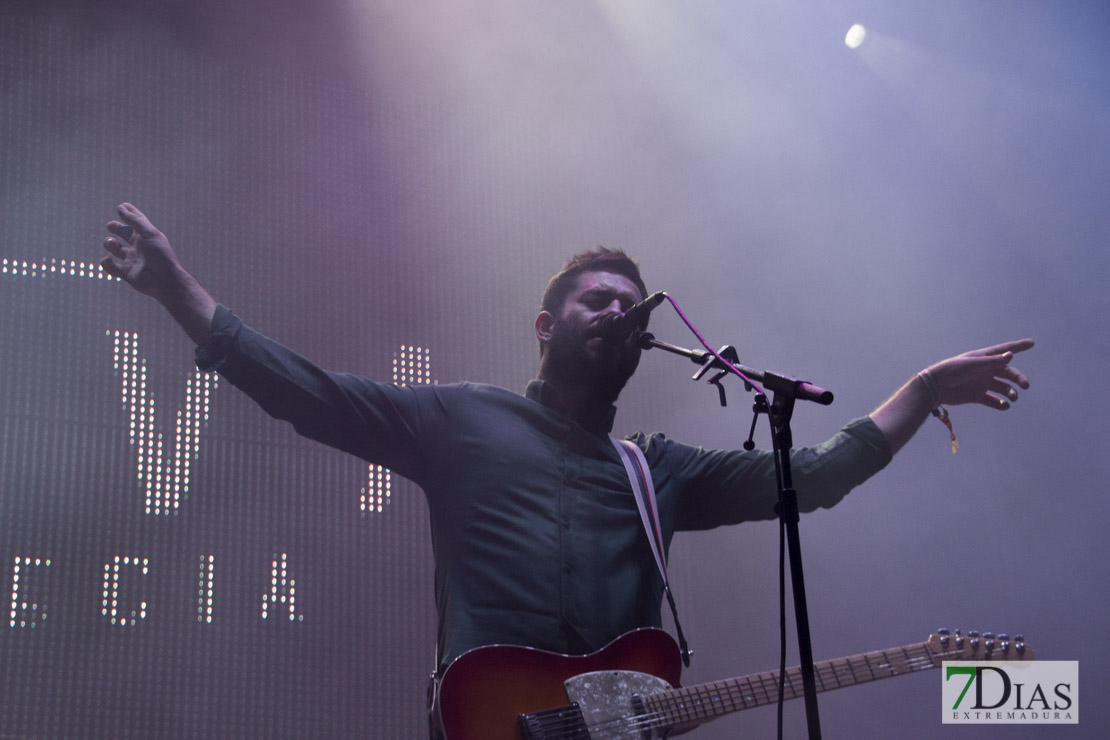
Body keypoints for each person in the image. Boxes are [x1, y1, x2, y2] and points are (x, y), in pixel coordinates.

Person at [100, 202, 1033, 734]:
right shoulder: (460, 417)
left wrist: (923, 388)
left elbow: (818, 475)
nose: (618, 311)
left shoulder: (656, 469)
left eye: (633, 304)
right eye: (596, 299)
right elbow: (309, 393)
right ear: (547, 326)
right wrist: (180, 292)